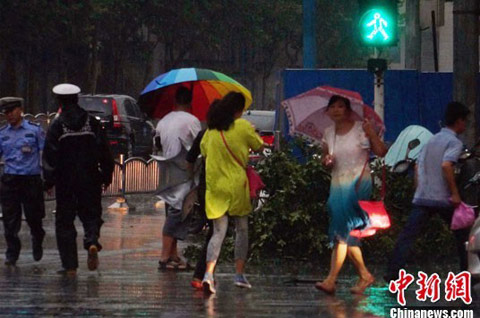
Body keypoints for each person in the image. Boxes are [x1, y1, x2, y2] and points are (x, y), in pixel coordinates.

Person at [385, 102, 470, 282]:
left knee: (407, 236)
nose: (465, 125)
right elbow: (447, 165)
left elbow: (418, 166)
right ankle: (466, 272)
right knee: (463, 236)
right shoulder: (454, 142)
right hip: (442, 199)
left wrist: (420, 189)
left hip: (423, 197)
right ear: (459, 121)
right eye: (465, 121)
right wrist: (454, 193)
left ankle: (392, 273)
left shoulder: (432, 139)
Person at [316, 95, 387, 295]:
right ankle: (364, 275)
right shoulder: (328, 134)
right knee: (347, 233)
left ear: (348, 110)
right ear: (327, 111)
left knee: (343, 232)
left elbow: (381, 152)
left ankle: (331, 279)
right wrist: (326, 161)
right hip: (337, 186)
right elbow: (325, 159)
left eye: (341, 106)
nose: (337, 110)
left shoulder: (359, 129)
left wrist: (371, 133)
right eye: (333, 107)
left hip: (358, 185)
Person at [43, 83, 114, 275]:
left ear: (59, 101)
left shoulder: (57, 126)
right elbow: (105, 151)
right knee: (91, 215)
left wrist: (48, 181)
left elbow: (50, 155)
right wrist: (107, 175)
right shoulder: (92, 123)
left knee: (65, 221)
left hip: (65, 181)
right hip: (90, 178)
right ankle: (91, 241)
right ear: (77, 99)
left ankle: (70, 265)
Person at [200, 92, 264, 294]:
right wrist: (253, 132)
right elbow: (259, 145)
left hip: (215, 187)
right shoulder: (243, 126)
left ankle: (208, 275)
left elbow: (204, 152)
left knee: (218, 232)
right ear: (239, 110)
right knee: (242, 229)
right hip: (237, 187)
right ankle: (239, 274)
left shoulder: (210, 131)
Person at [155, 86, 201, 270]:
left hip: (167, 170)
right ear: (190, 102)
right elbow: (199, 144)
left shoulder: (163, 120)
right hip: (184, 172)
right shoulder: (192, 121)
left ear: (175, 101)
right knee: (177, 213)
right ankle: (164, 256)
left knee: (174, 211)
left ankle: (173, 254)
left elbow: (156, 142)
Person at [0, 97, 46, 266]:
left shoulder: (34, 131)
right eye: (6, 112)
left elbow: (45, 154)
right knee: (10, 220)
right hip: (10, 180)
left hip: (30, 180)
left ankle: (37, 238)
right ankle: (12, 252)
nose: (9, 115)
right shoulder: (3, 134)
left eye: (12, 111)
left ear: (20, 110)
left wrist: (47, 177)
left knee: (34, 218)